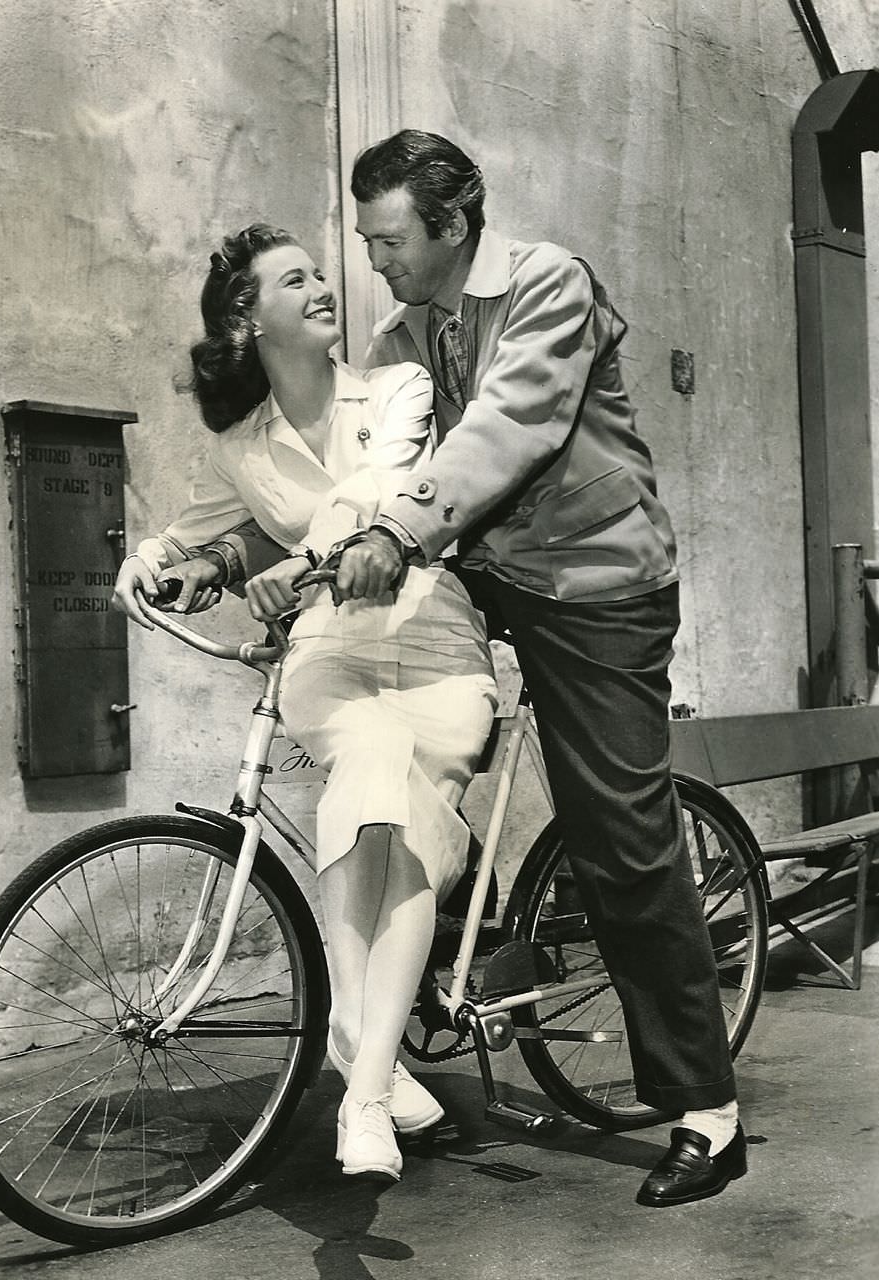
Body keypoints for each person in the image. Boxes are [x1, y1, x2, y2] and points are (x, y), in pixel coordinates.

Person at [329, 130, 747, 1208]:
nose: (374, 260)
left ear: (452, 226)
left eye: (388, 241)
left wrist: (401, 528)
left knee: (619, 835)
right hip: (480, 570)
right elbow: (370, 456)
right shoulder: (400, 330)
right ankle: (421, 1001)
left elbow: (509, 427)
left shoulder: (545, 283)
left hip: (595, 581)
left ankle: (705, 1104)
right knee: (392, 761)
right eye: (366, 241)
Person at [111, 223, 497, 1184]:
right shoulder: (242, 447)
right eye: (296, 279)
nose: (326, 285)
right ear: (250, 318)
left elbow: (379, 491)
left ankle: (354, 1052)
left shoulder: (395, 388)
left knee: (404, 823)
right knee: (363, 774)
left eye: (321, 272)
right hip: (330, 654)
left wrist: (297, 559)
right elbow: (197, 532)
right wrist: (144, 564)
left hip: (437, 641)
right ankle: (369, 1086)